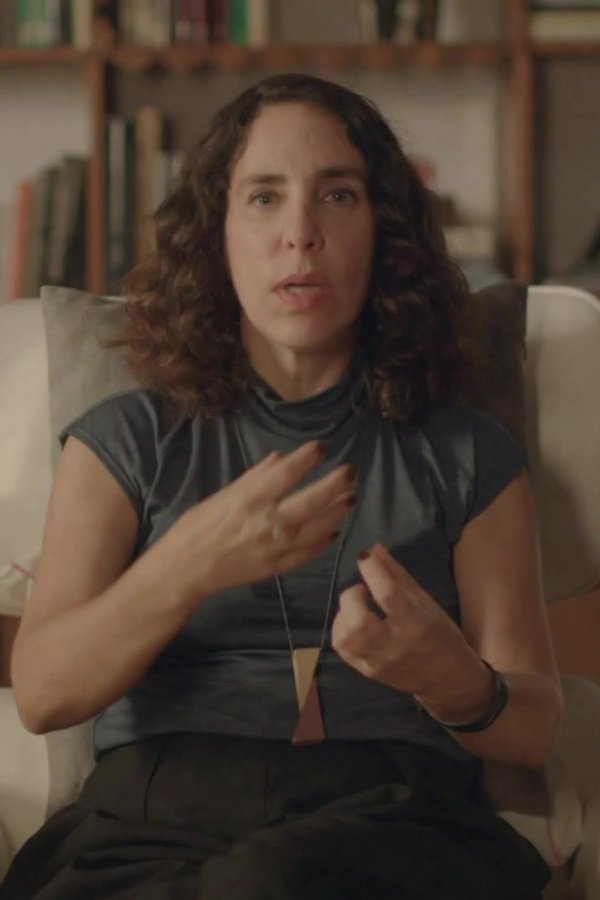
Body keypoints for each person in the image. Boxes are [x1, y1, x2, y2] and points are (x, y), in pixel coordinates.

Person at [2, 73, 561, 900]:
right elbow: (44, 695)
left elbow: (534, 729)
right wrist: (183, 566)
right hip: (151, 815)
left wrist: (453, 679)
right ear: (216, 236)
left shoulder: (468, 453)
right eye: (264, 198)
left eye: (337, 195)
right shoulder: (124, 440)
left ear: (384, 230)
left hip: (391, 819)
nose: (300, 235)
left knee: (267, 881)